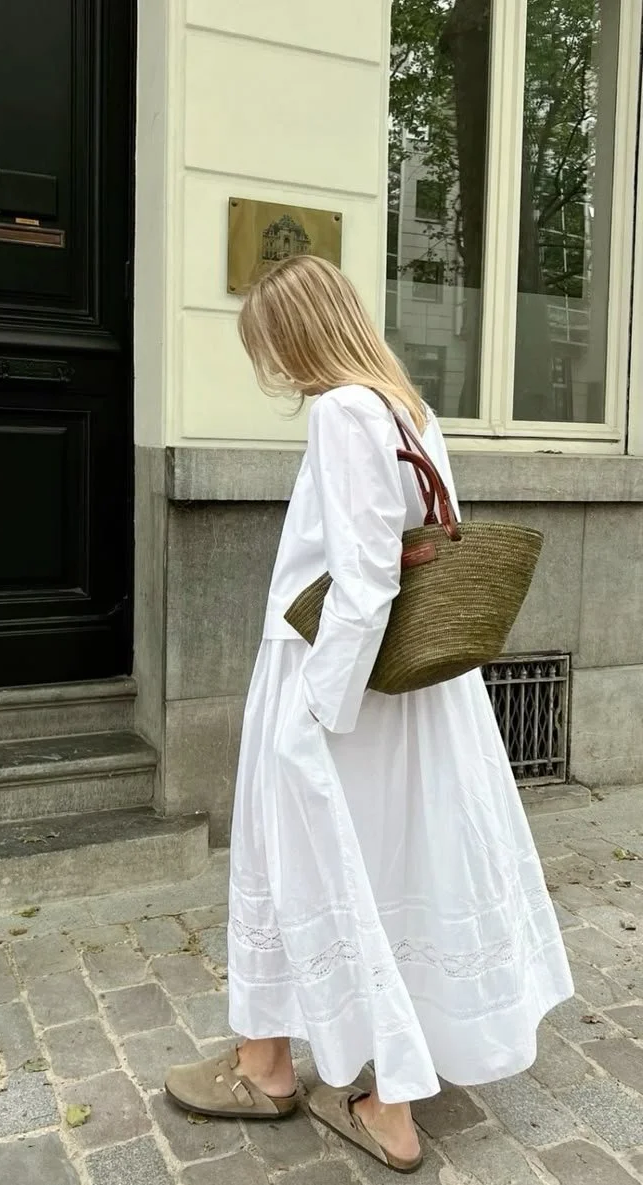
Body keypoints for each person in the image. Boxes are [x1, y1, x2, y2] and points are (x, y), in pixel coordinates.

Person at [165, 255, 573, 1174]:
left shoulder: (343, 410)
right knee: (388, 865)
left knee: (314, 862)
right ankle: (278, 1060)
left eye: (266, 340)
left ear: (294, 333)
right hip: (415, 697)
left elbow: (366, 579)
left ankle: (352, 1095)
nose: (266, 360)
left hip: (345, 683)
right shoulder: (407, 409)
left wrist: (314, 710)